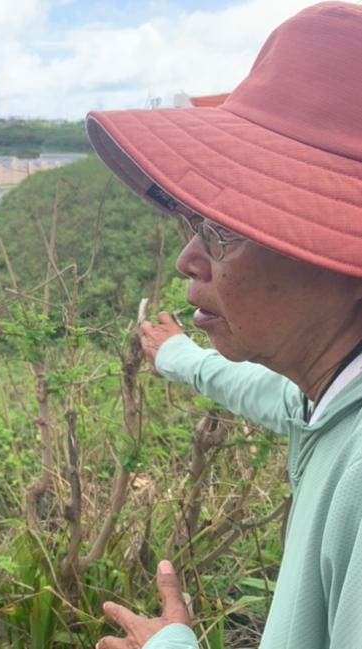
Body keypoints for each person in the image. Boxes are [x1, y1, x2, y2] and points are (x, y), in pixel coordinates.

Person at [84, 3, 362, 648]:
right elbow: (276, 397)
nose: (188, 258)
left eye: (224, 231)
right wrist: (176, 355)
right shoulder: (328, 396)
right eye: (194, 223)